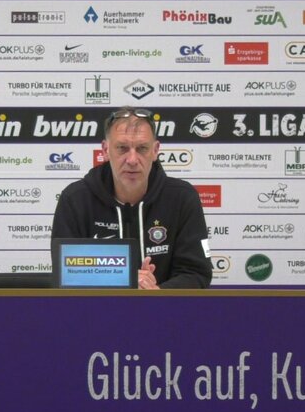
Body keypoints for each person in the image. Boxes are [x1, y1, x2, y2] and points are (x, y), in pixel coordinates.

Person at [52, 106, 212, 289]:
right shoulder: (75, 200)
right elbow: (66, 275)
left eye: (142, 148)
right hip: (99, 307)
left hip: (163, 306)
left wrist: (155, 293)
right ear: (105, 150)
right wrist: (123, 280)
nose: (132, 160)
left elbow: (197, 273)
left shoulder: (182, 198)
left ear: (155, 150)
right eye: (122, 148)